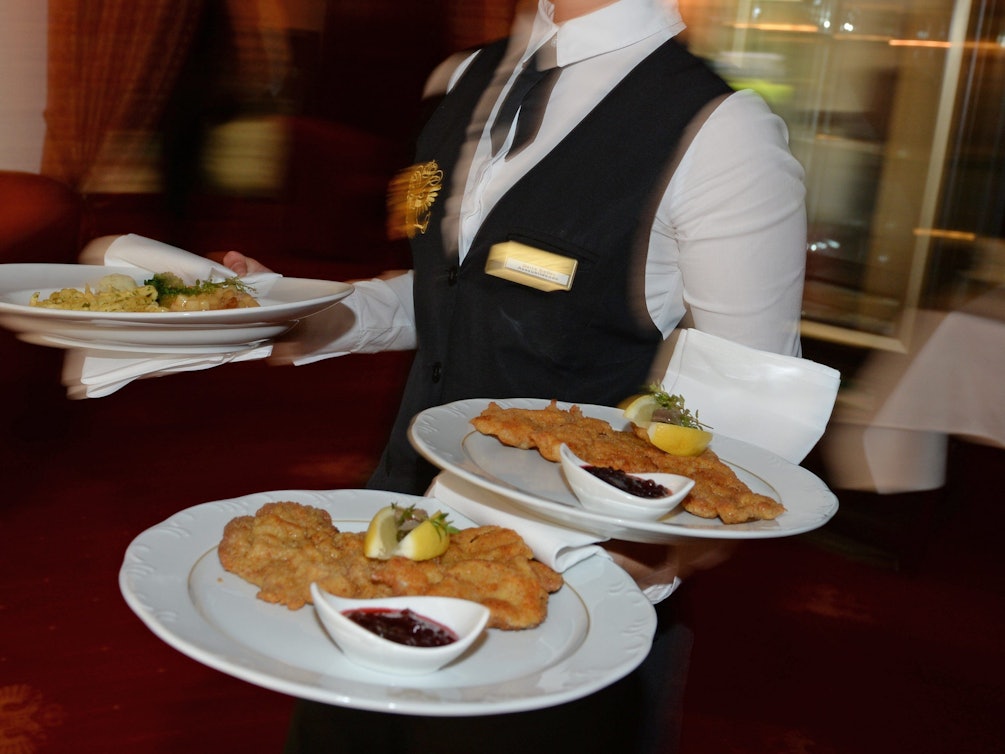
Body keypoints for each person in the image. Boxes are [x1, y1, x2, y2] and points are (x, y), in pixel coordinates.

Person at [225, 0, 806, 750]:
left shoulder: (723, 131)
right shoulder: (467, 76)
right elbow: (451, 292)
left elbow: (746, 402)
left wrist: (640, 562)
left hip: (562, 582)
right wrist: (300, 313)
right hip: (390, 532)